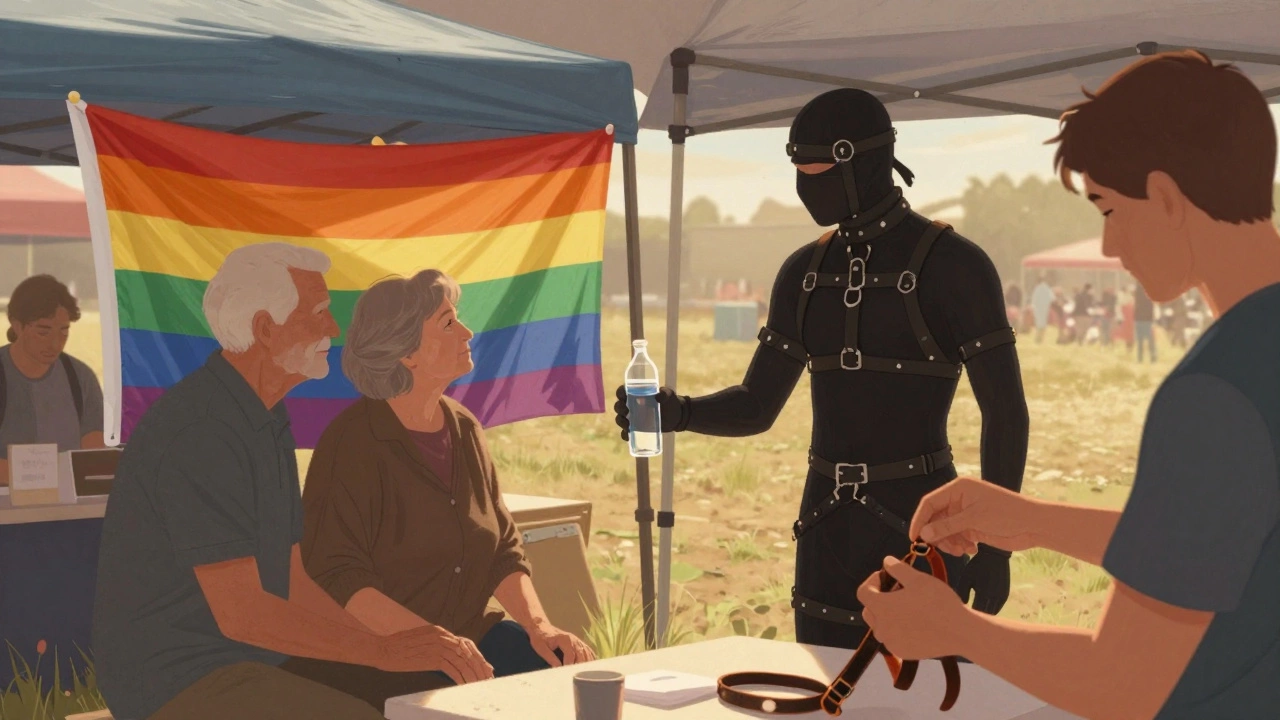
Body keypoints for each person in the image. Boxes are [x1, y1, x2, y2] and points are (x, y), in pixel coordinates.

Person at [856, 50, 1280, 720]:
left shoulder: (1212, 397)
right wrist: (1030, 522)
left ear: (1167, 198)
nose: (1110, 246)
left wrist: (953, 629)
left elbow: (1122, 685)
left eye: (1109, 208)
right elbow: (1233, 542)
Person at [615, 87, 1029, 651]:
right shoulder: (803, 274)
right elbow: (758, 405)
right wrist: (678, 413)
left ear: (859, 162)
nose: (804, 184)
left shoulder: (957, 267)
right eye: (797, 168)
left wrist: (998, 545)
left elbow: (1005, 412)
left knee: (929, 700)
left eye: (815, 168)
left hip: (922, 533)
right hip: (825, 533)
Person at [92, 244, 463, 720]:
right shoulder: (203, 430)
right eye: (320, 314)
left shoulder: (264, 415)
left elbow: (292, 579)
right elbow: (241, 612)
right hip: (176, 676)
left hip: (251, 657)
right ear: (266, 329)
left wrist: (388, 645)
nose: (333, 329)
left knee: (423, 694)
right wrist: (383, 653)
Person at [287, 269, 594, 710]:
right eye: (448, 323)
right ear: (406, 351)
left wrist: (540, 626)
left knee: (565, 679)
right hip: (380, 655)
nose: (467, 332)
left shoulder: (465, 427)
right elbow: (339, 576)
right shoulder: (353, 443)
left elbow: (503, 550)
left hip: (470, 638)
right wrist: (431, 644)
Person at [0, 274, 104, 485]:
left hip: (68, 510)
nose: (55, 344)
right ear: (17, 325)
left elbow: (95, 455)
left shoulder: (80, 378)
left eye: (64, 332)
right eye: (43, 332)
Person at [1133, 284, 1156, 362]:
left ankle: (1140, 358)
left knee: (1140, 340)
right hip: (1147, 319)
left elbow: (1136, 306)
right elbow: (1151, 307)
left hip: (1139, 319)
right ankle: (1153, 357)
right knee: (1150, 340)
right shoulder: (1149, 293)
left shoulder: (1137, 295)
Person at [1030, 275, 1054, 343]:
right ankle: (1041, 338)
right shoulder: (1047, 288)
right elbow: (1052, 298)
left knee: (1038, 323)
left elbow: (1034, 299)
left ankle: (1038, 338)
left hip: (1038, 308)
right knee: (1043, 323)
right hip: (1045, 308)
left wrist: (1033, 306)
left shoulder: (1037, 288)